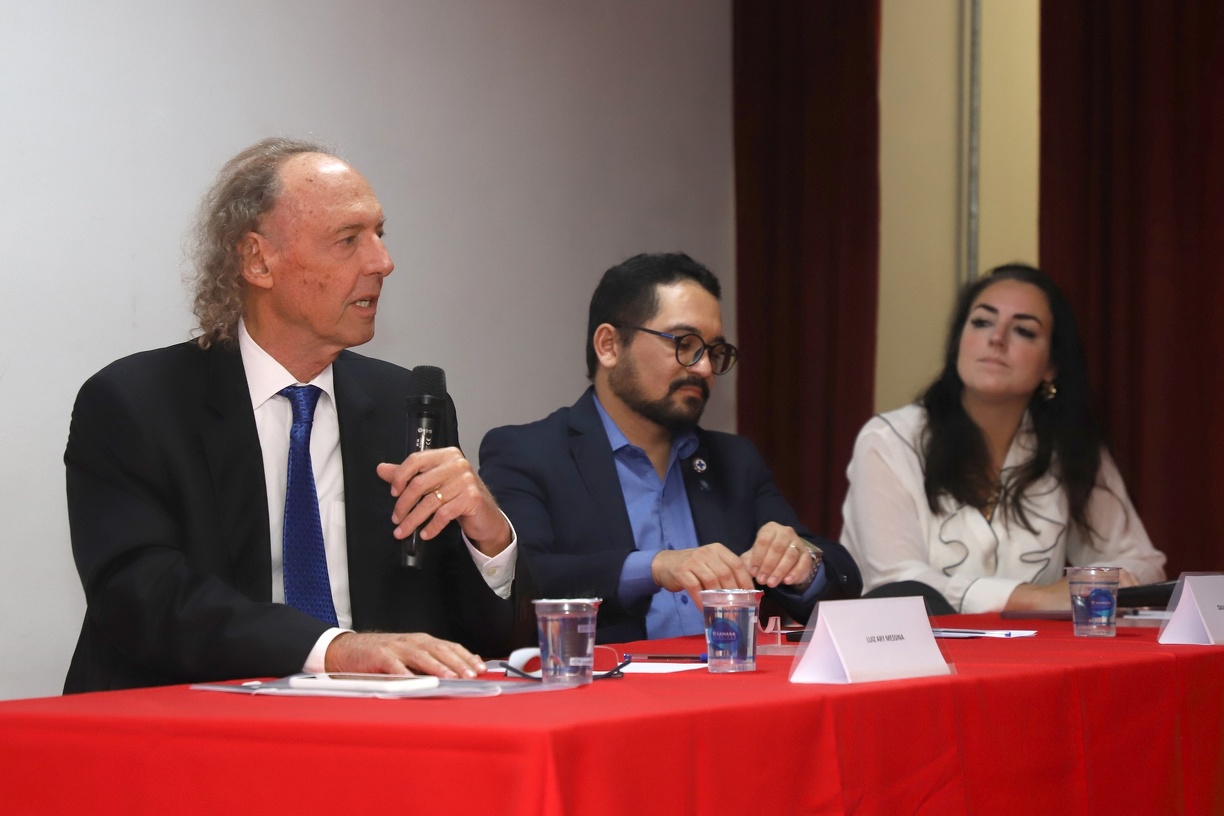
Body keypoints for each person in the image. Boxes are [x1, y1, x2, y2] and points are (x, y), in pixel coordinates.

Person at [64, 138, 531, 693]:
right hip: (192, 730)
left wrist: (489, 538)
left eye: (380, 234)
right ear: (258, 259)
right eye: (348, 240)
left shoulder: (401, 403)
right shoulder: (135, 403)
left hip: (382, 729)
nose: (383, 262)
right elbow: (143, 597)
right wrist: (334, 650)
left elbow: (481, 634)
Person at [478, 252, 861, 642]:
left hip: (730, 686)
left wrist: (803, 564)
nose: (705, 368)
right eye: (685, 343)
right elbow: (522, 584)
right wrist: (655, 567)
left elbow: (841, 573)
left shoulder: (733, 461)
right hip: (607, 693)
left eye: (714, 351)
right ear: (609, 345)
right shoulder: (528, 452)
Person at [841, 263, 1166, 615]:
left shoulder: (1069, 447)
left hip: (1035, 662)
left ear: (1051, 366)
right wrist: (1037, 598)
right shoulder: (889, 440)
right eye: (982, 322)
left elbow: (1143, 563)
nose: (996, 339)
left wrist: (1104, 582)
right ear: (958, 342)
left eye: (1024, 330)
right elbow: (897, 582)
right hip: (907, 660)